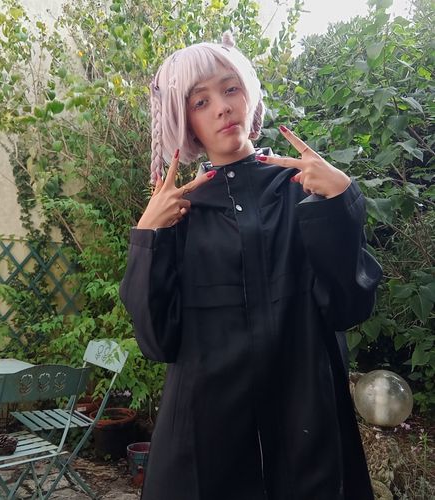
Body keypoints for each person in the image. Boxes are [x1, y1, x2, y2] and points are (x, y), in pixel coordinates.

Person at [120, 32, 382, 500]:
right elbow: (158, 341)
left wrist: (342, 203)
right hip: (207, 436)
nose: (222, 107)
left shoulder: (300, 190)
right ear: (186, 120)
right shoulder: (180, 214)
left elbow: (349, 306)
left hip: (307, 426)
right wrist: (148, 238)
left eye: (231, 89)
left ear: (250, 95)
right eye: (201, 101)